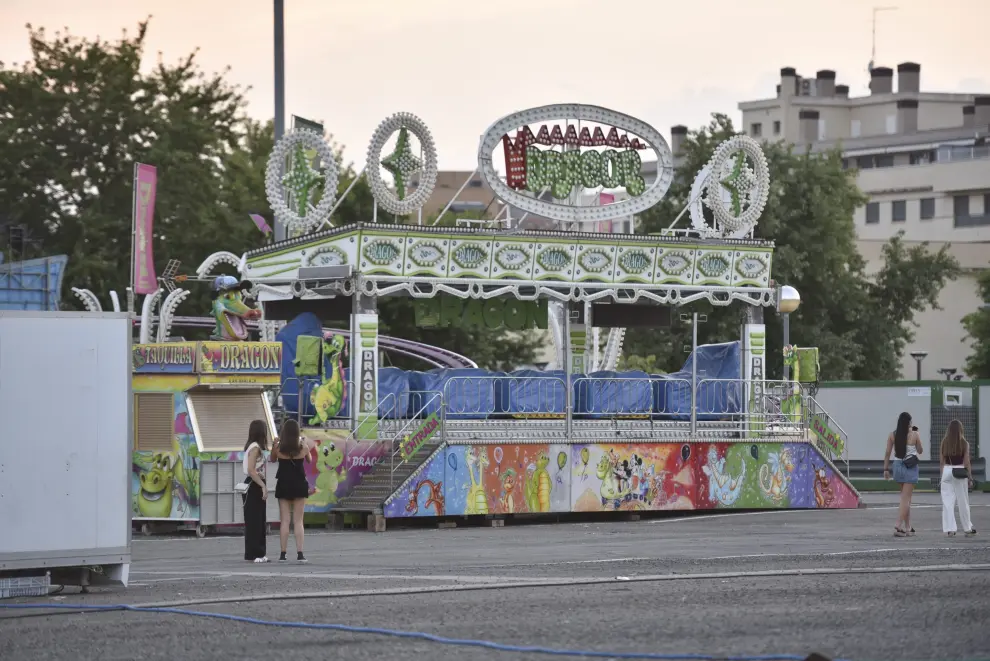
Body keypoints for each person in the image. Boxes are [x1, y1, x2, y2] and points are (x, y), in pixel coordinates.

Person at [271, 419, 313, 562]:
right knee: (298, 521)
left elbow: (272, 459)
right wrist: (304, 443)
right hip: (299, 484)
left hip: (283, 484)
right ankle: (300, 554)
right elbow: (310, 460)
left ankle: (283, 554)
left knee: (284, 520)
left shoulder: (278, 448)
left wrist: (274, 445)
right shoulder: (303, 447)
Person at [884, 411, 923, 537]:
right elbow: (920, 451)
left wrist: (885, 469)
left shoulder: (892, 435)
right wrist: (918, 436)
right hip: (910, 466)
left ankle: (907, 527)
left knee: (907, 499)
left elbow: (888, 453)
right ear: (909, 423)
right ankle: (898, 524)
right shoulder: (914, 434)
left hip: (897, 465)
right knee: (906, 499)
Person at [939, 419, 977, 537]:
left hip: (947, 471)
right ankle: (967, 528)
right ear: (961, 430)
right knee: (963, 501)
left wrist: (942, 476)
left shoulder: (944, 442)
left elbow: (941, 462)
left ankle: (950, 529)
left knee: (947, 502)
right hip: (959, 472)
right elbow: (967, 462)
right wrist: (970, 477)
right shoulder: (964, 443)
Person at [242, 420, 269, 563]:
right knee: (256, 520)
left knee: (256, 519)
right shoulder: (256, 448)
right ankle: (256, 552)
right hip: (254, 484)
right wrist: (263, 486)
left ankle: (256, 552)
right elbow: (252, 470)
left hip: (252, 483)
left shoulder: (251, 446)